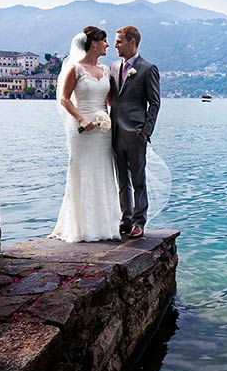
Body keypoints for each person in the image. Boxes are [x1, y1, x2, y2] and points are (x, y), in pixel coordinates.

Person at [50, 26, 121, 243]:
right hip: (81, 129)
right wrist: (81, 118)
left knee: (103, 171)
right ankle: (81, 227)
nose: (108, 45)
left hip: (102, 130)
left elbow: (109, 101)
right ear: (94, 43)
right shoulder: (75, 69)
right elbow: (64, 99)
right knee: (82, 170)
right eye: (105, 41)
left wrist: (116, 115)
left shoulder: (106, 70)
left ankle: (105, 225)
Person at [109, 25, 161, 239]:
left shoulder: (148, 68)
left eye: (119, 41)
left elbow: (155, 103)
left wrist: (145, 132)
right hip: (114, 132)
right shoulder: (112, 67)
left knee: (138, 180)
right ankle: (126, 218)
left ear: (132, 42)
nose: (115, 45)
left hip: (136, 133)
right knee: (122, 179)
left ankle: (139, 222)